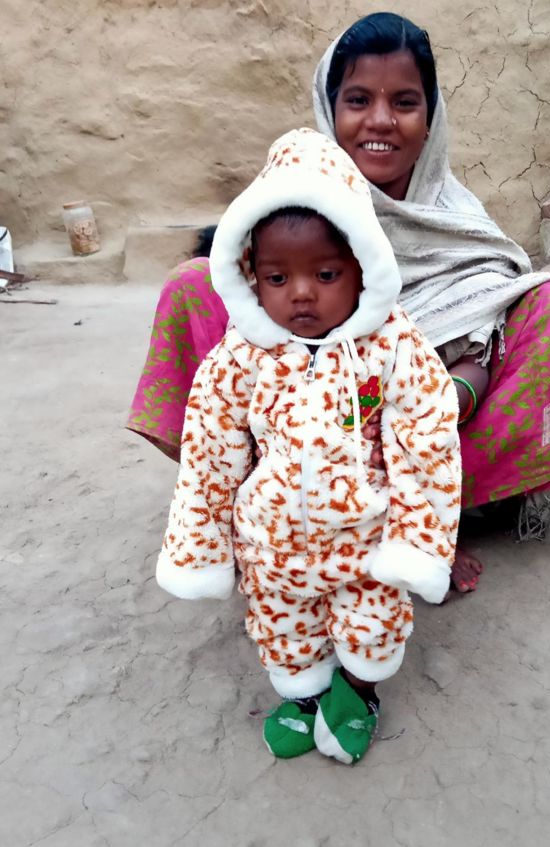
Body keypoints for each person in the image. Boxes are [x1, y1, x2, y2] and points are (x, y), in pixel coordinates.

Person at [128, 12, 550, 595]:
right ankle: (258, 521)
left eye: (404, 102)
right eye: (358, 100)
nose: (380, 120)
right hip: (291, 433)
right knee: (191, 285)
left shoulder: (454, 222)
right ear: (329, 110)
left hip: (424, 425)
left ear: (430, 120)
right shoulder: (287, 203)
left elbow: (486, 326)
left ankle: (427, 529)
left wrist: (437, 398)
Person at [155, 128, 461, 763]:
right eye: (277, 276)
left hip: (364, 540)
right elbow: (209, 455)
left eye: (325, 273)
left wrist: (416, 544)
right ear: (249, 274)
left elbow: (427, 445)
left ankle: (359, 690)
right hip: (272, 545)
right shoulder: (240, 356)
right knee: (284, 632)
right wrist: (200, 548)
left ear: (362, 265)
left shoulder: (394, 347)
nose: (300, 293)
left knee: (373, 626)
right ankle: (305, 691)